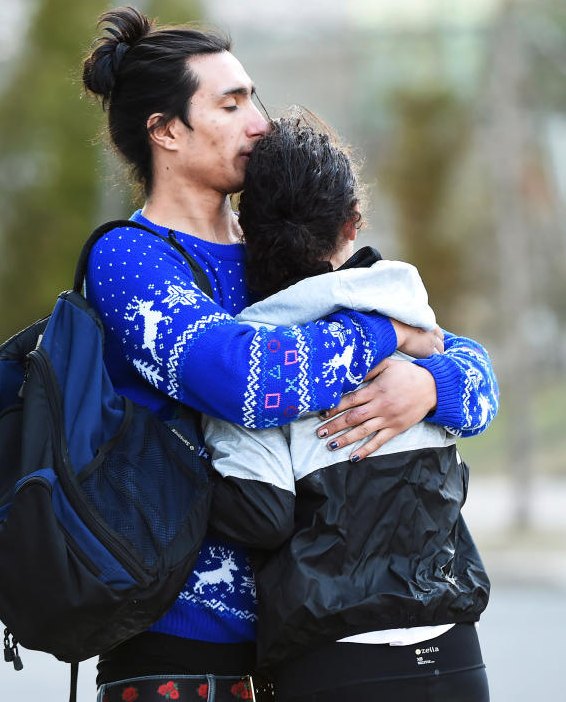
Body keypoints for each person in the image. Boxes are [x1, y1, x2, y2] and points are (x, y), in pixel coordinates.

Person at [80, 7, 498, 701]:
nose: (260, 123)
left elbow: (475, 372)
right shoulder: (133, 258)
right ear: (166, 131)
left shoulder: (271, 250)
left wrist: (429, 385)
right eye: (232, 103)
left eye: (256, 98)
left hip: (297, 643)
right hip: (182, 646)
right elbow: (245, 380)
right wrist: (388, 337)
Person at [203, 115, 493, 702]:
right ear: (352, 222)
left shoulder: (254, 351)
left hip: (335, 656)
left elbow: (262, 513)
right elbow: (478, 389)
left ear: (245, 230)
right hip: (453, 649)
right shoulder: (411, 314)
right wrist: (436, 384)